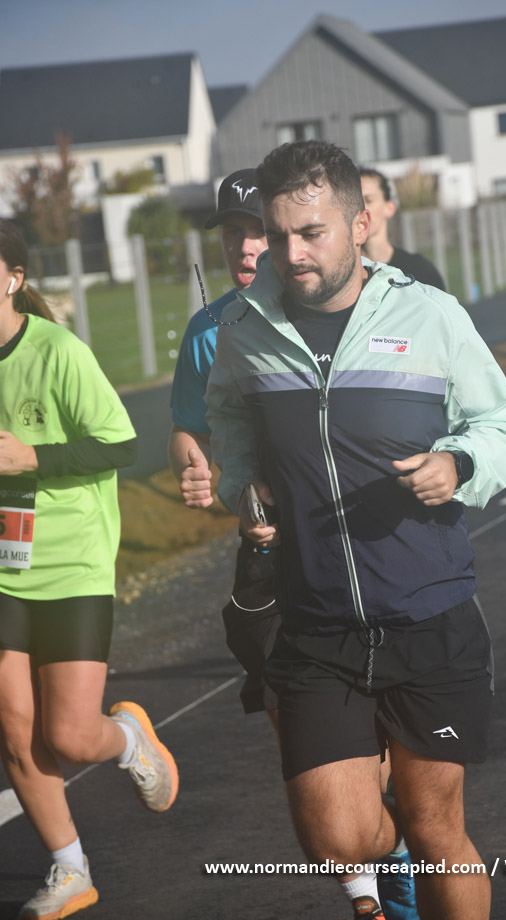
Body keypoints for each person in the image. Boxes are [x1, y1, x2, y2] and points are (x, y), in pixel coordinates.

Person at [205, 140, 506, 920]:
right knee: (337, 843)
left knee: (435, 825)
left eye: (310, 233)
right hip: (315, 626)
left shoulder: (428, 313)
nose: (290, 253)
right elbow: (228, 424)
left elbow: (498, 423)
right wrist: (240, 485)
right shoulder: (244, 328)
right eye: (278, 235)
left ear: (359, 223)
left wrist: (457, 462)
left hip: (428, 614)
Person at [0, 220, 178, 920]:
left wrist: (32, 458)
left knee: (70, 737)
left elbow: (121, 444)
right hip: (1, 568)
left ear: (13, 278)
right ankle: (70, 868)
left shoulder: (58, 352)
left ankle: (129, 739)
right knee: (15, 727)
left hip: (70, 561)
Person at [168, 169, 280, 725]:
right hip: (263, 538)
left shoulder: (324, 312)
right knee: (286, 703)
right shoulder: (205, 330)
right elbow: (189, 429)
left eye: (256, 229)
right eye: (232, 232)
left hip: (344, 531)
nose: (243, 245)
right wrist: (190, 464)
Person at [359, 167, 446, 290]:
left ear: (390, 208)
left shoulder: (421, 272)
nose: (362, 209)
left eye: (369, 200)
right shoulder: (344, 276)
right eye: (357, 201)